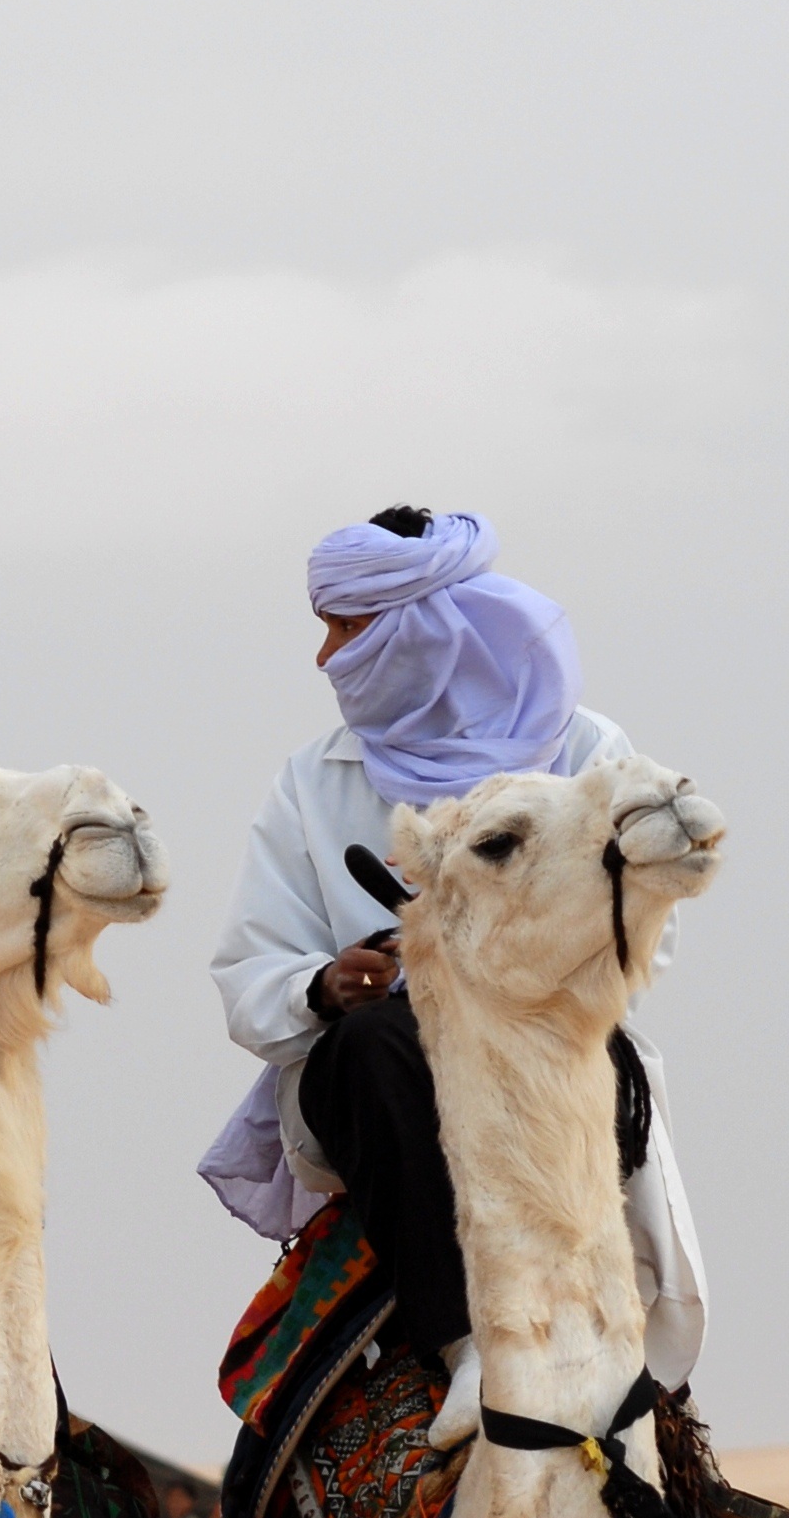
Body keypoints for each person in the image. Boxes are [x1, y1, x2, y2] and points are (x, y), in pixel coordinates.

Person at [204, 505, 705, 1446]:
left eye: (345, 627)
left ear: (420, 632)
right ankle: (472, 1343)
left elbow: (649, 941)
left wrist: (483, 967)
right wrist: (326, 984)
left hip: (552, 1070)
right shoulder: (313, 781)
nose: (324, 656)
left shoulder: (586, 754)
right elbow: (249, 971)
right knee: (374, 1039)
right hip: (381, 1076)